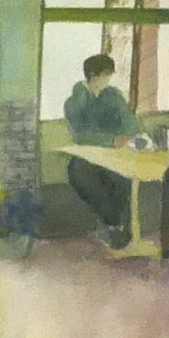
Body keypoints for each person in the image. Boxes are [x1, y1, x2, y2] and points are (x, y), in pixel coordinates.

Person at [63, 51, 138, 245]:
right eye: (106, 75)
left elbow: (131, 122)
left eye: (109, 75)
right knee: (81, 174)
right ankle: (112, 224)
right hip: (86, 157)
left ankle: (120, 228)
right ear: (93, 76)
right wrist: (111, 140)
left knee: (123, 177)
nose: (108, 80)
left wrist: (126, 135)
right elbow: (80, 135)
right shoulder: (75, 102)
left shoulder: (113, 95)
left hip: (114, 155)